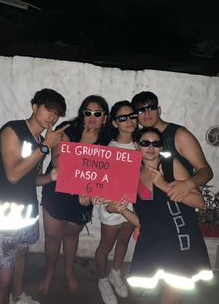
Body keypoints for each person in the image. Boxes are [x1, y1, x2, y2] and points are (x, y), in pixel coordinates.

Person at [0, 88, 68, 304]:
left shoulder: (39, 140)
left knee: (22, 255)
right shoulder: (12, 130)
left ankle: (18, 296)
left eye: (57, 113)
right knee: (3, 278)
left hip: (26, 213)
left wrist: (51, 176)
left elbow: (32, 178)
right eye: (48, 109)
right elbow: (13, 175)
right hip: (2, 214)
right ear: (34, 107)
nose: (53, 116)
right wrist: (45, 147)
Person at [110, 127, 213, 304]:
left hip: (179, 242)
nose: (151, 147)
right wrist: (120, 209)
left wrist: (164, 185)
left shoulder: (170, 165)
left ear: (161, 146)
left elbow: (199, 202)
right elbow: (144, 223)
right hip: (153, 242)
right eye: (145, 143)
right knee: (145, 292)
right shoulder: (133, 174)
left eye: (156, 143)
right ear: (136, 145)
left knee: (170, 296)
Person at [40, 95, 110, 295]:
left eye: (98, 113)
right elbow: (59, 164)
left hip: (83, 196)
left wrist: (93, 191)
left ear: (105, 117)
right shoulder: (66, 129)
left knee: (71, 237)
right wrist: (84, 143)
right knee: (52, 238)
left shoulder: (108, 139)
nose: (92, 117)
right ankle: (50, 273)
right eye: (87, 112)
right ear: (82, 114)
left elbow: (108, 175)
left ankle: (70, 272)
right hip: (57, 191)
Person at [131, 91, 213, 202]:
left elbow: (206, 171)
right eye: (141, 110)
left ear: (159, 110)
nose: (146, 113)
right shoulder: (139, 141)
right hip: (153, 208)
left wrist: (187, 184)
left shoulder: (179, 134)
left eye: (151, 107)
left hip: (181, 205)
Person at [95, 101, 137, 304]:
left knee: (123, 241)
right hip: (111, 207)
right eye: (123, 118)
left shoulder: (142, 144)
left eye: (132, 116)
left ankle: (115, 272)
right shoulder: (108, 148)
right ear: (114, 123)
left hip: (133, 206)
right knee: (106, 246)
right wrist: (103, 200)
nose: (129, 121)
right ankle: (102, 279)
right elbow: (97, 182)